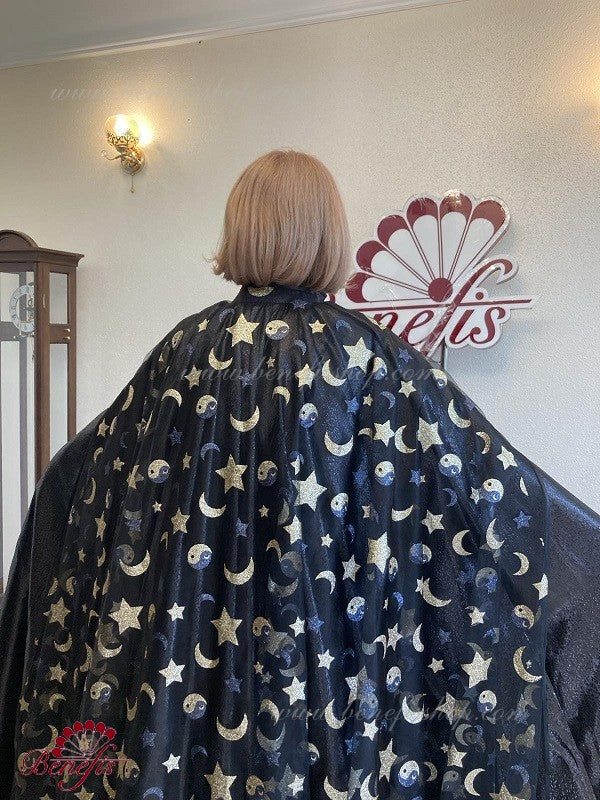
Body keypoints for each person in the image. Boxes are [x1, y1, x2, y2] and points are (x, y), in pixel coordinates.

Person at [0, 150, 598, 800]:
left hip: (193, 661)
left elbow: (80, 474)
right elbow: (488, 486)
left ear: (240, 228)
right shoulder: (372, 359)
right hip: (332, 666)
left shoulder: (185, 352)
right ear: (328, 236)